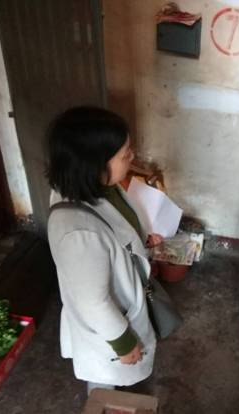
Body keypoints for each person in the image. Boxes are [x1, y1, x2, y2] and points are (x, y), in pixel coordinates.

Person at [46, 106, 163, 393]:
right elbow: (93, 301)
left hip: (123, 303)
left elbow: (115, 229)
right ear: (95, 164)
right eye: (125, 154)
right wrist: (123, 342)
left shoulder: (102, 187)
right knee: (105, 382)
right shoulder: (78, 232)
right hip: (108, 329)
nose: (132, 157)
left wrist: (140, 241)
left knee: (120, 378)